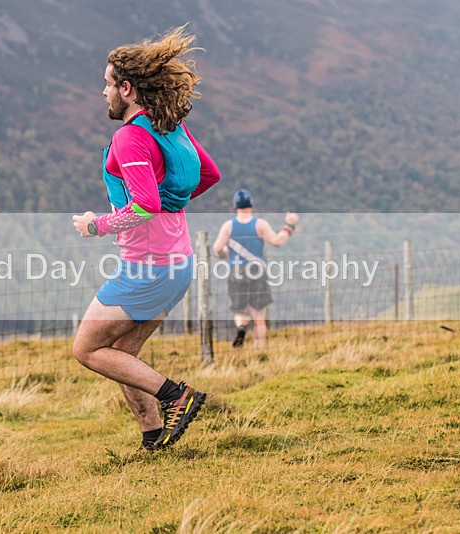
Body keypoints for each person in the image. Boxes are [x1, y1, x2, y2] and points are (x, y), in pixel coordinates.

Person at [71, 27, 220, 450]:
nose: (103, 93)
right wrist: (172, 201)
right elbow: (209, 175)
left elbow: (143, 205)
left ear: (127, 88)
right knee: (120, 351)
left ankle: (179, 396)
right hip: (179, 263)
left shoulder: (131, 135)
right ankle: (153, 437)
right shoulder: (170, 127)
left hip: (148, 269)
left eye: (107, 84)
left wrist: (94, 225)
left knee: (86, 348)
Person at [212, 189, 299, 349]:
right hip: (256, 271)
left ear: (235, 207)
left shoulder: (228, 226)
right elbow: (277, 241)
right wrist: (290, 225)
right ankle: (259, 351)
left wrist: (226, 254)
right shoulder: (260, 224)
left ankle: (241, 328)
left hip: (236, 272)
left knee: (240, 311)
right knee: (259, 317)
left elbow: (217, 248)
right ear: (250, 205)